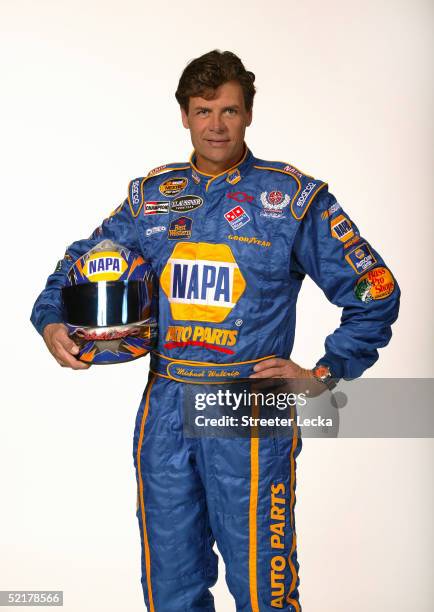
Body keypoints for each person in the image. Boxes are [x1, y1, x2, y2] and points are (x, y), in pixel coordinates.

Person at [31, 50, 400, 611]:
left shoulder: (292, 199)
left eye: (229, 110)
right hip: (166, 400)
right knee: (170, 585)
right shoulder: (150, 198)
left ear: (249, 114)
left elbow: (375, 291)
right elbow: (80, 263)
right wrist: (52, 318)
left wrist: (323, 374)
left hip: (247, 403)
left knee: (263, 587)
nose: (216, 125)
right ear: (184, 115)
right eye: (203, 111)